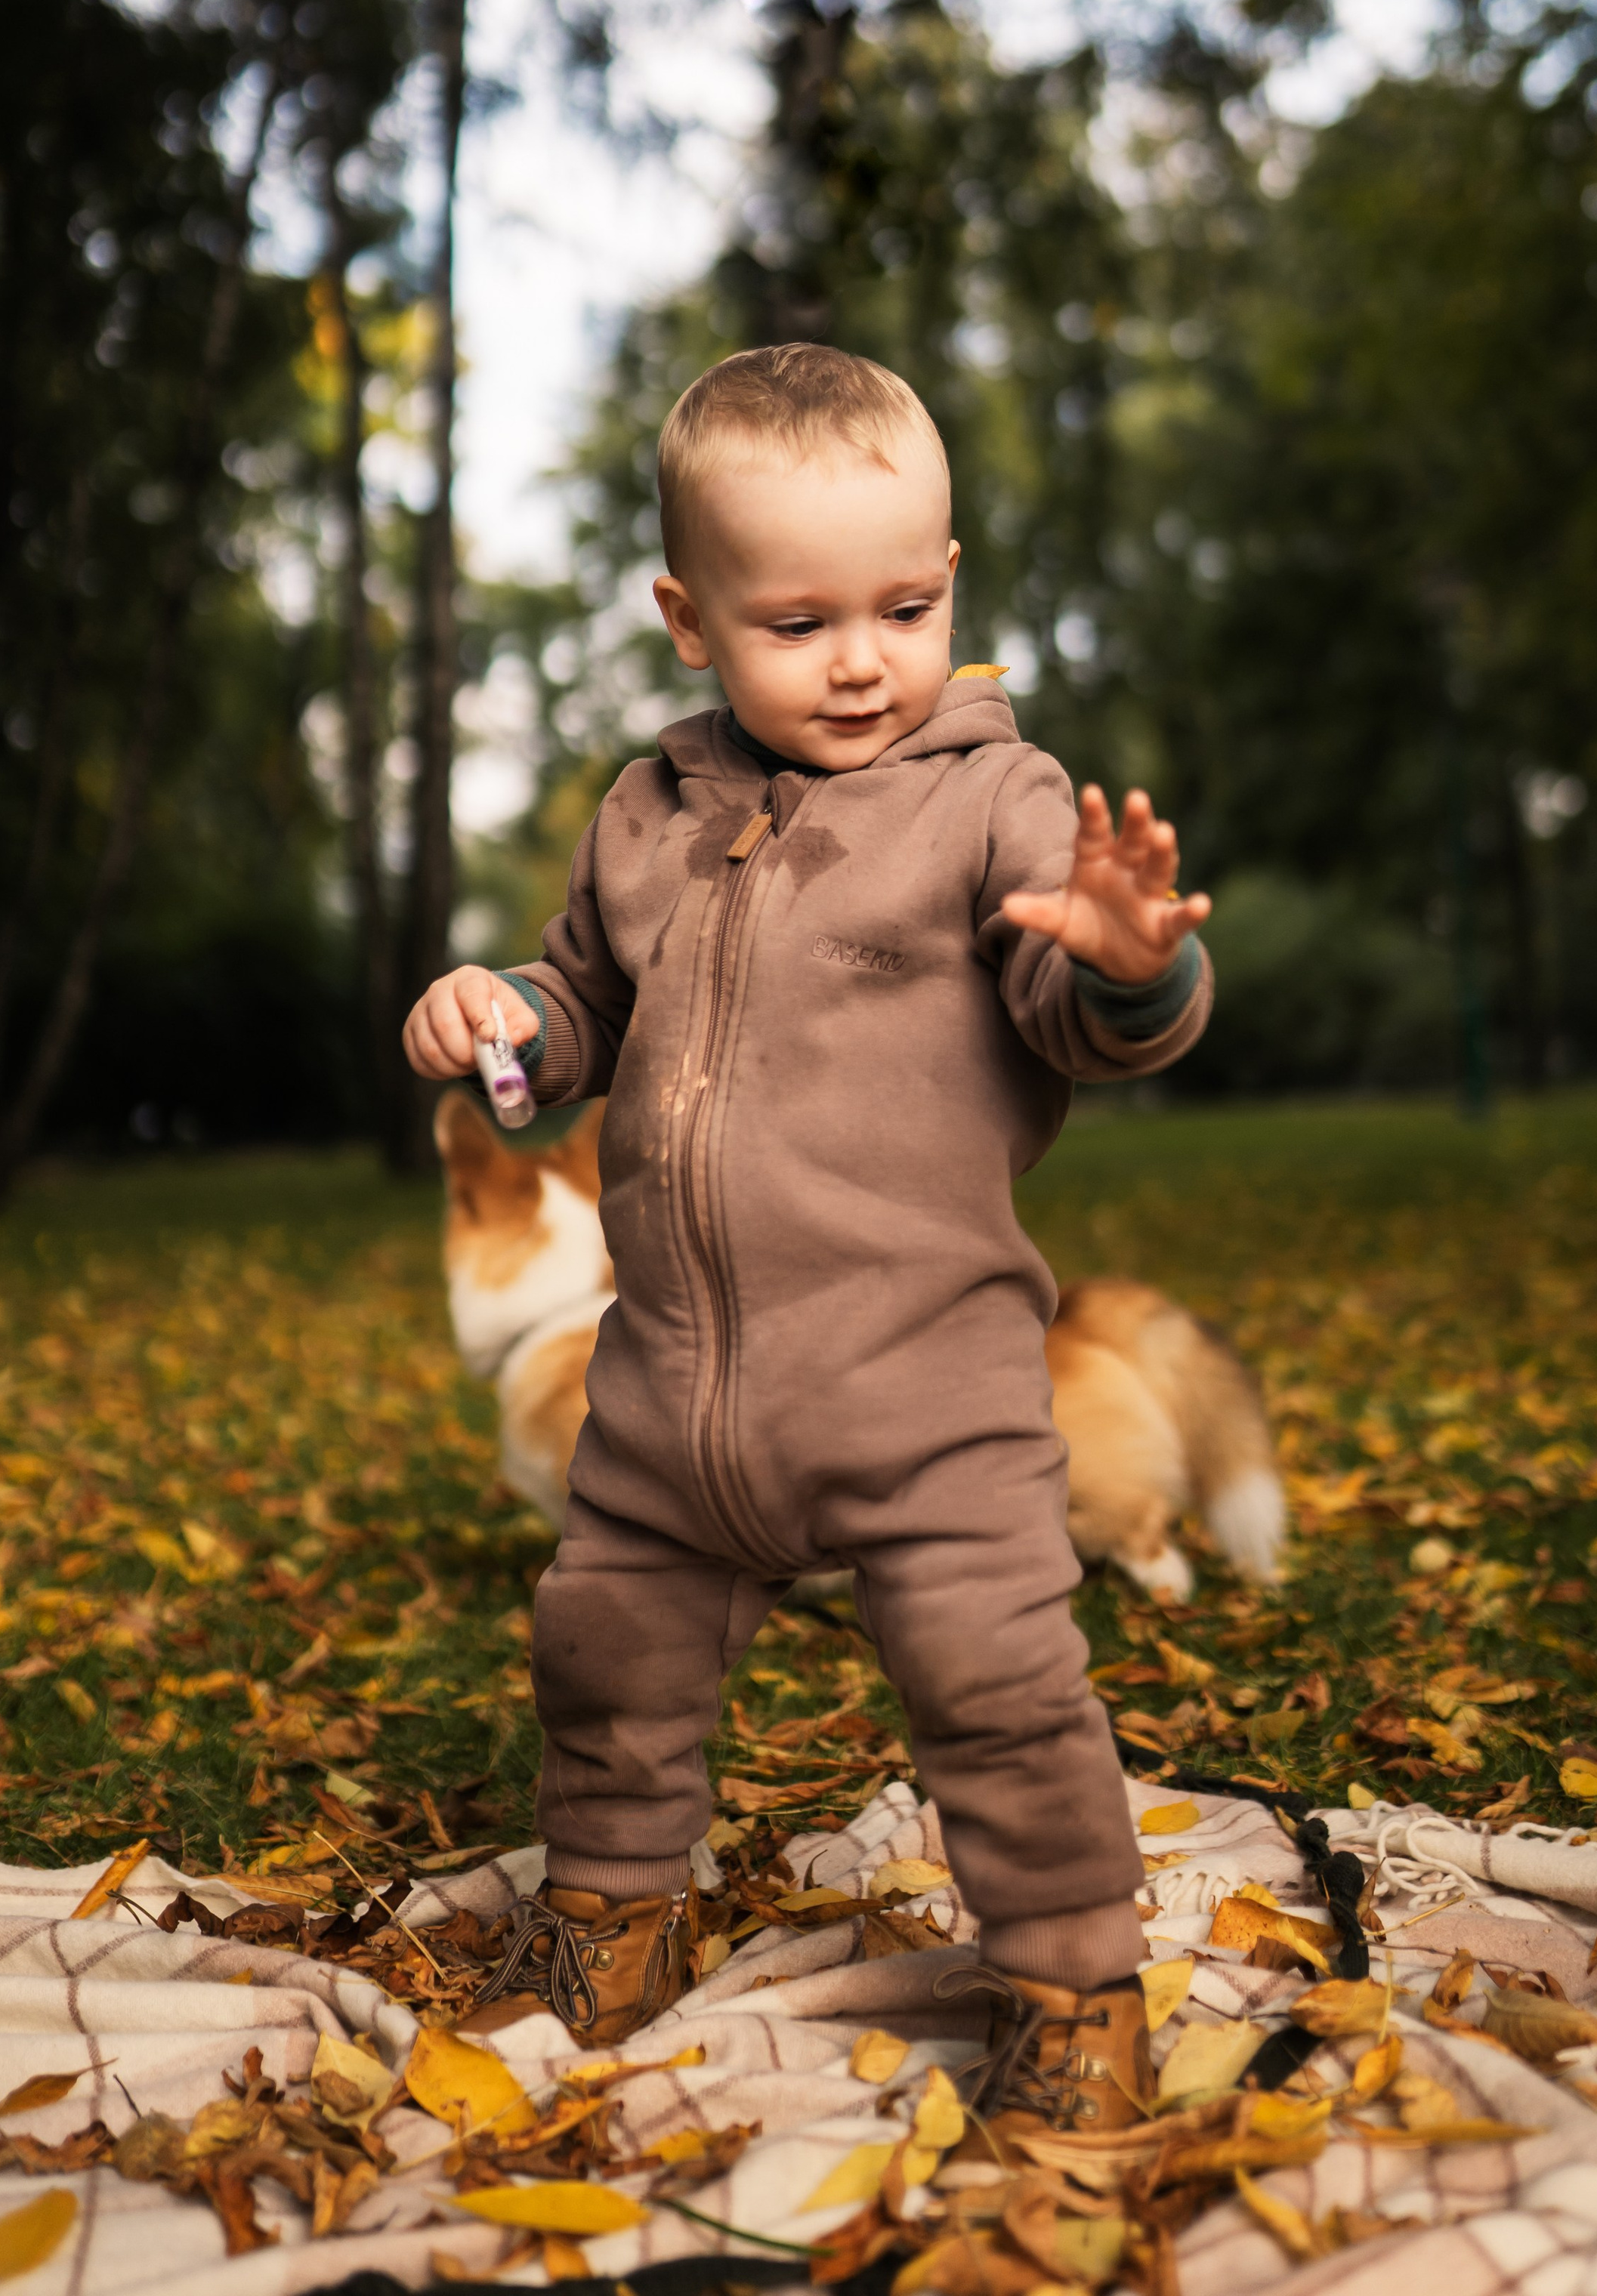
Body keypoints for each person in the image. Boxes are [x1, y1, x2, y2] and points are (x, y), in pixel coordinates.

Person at [403, 341, 1212, 2147]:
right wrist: (497, 1018)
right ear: (689, 620)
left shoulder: (995, 803)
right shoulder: (649, 812)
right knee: (601, 1660)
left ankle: (1075, 1990)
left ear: (950, 583)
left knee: (1001, 1696)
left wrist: (1124, 959)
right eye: (799, 622)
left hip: (922, 1392)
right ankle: (610, 1924)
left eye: (908, 605)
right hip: (673, 1391)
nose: (864, 659)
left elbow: (1076, 1018)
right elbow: (580, 1009)